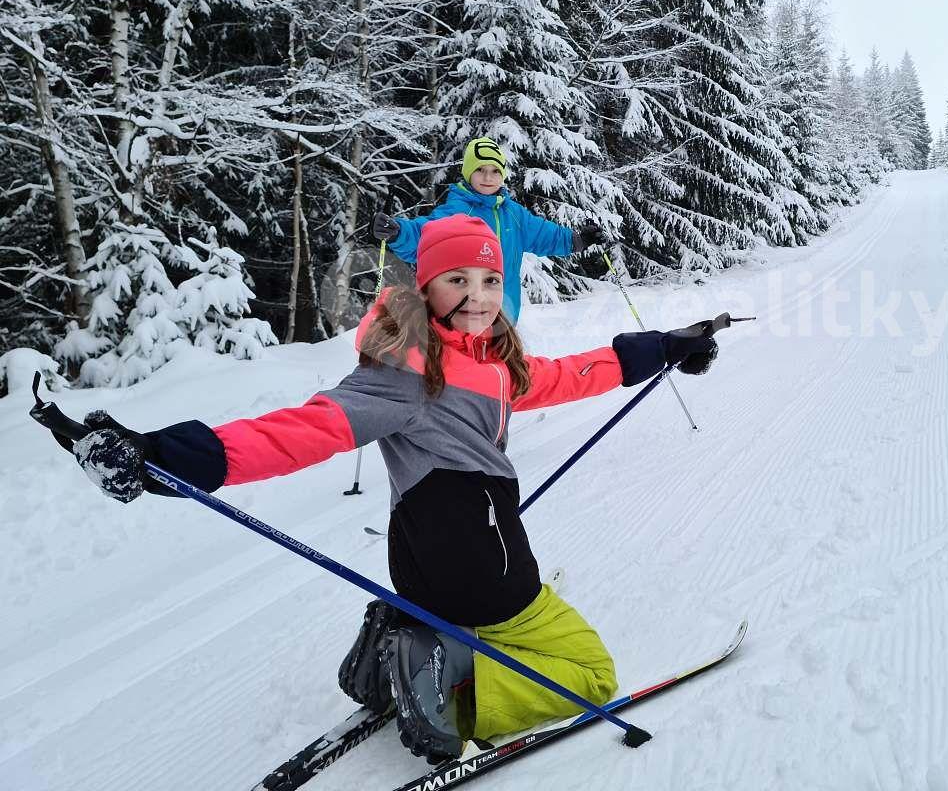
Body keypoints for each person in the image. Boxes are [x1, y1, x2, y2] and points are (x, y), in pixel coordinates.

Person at [68, 215, 718, 763]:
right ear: (425, 287)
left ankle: (402, 638)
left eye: (490, 280)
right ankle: (449, 682)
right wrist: (169, 456)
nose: (478, 294)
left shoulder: (487, 360)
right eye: (457, 279)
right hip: (482, 565)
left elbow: (567, 374)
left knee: (466, 613)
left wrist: (660, 347)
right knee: (590, 671)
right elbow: (304, 429)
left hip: (419, 560)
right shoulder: (408, 372)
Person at [371, 137, 606, 322]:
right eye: (480, 170)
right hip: (463, 312)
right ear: (468, 173)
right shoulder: (457, 212)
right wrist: (397, 232)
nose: (487, 177)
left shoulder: (513, 213)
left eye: (495, 171)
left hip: (504, 314)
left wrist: (579, 239)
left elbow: (545, 234)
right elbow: (425, 236)